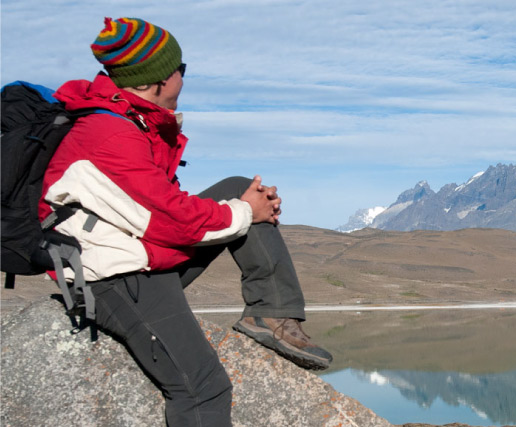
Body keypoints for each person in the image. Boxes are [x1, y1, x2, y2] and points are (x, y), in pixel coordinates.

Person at [38, 17, 332, 426]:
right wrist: (248, 212)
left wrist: (247, 203)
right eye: (181, 70)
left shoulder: (129, 118)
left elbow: (163, 210)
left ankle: (271, 313)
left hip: (136, 251)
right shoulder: (111, 134)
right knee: (203, 388)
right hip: (114, 276)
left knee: (239, 186)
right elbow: (175, 221)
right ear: (155, 80)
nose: (183, 78)